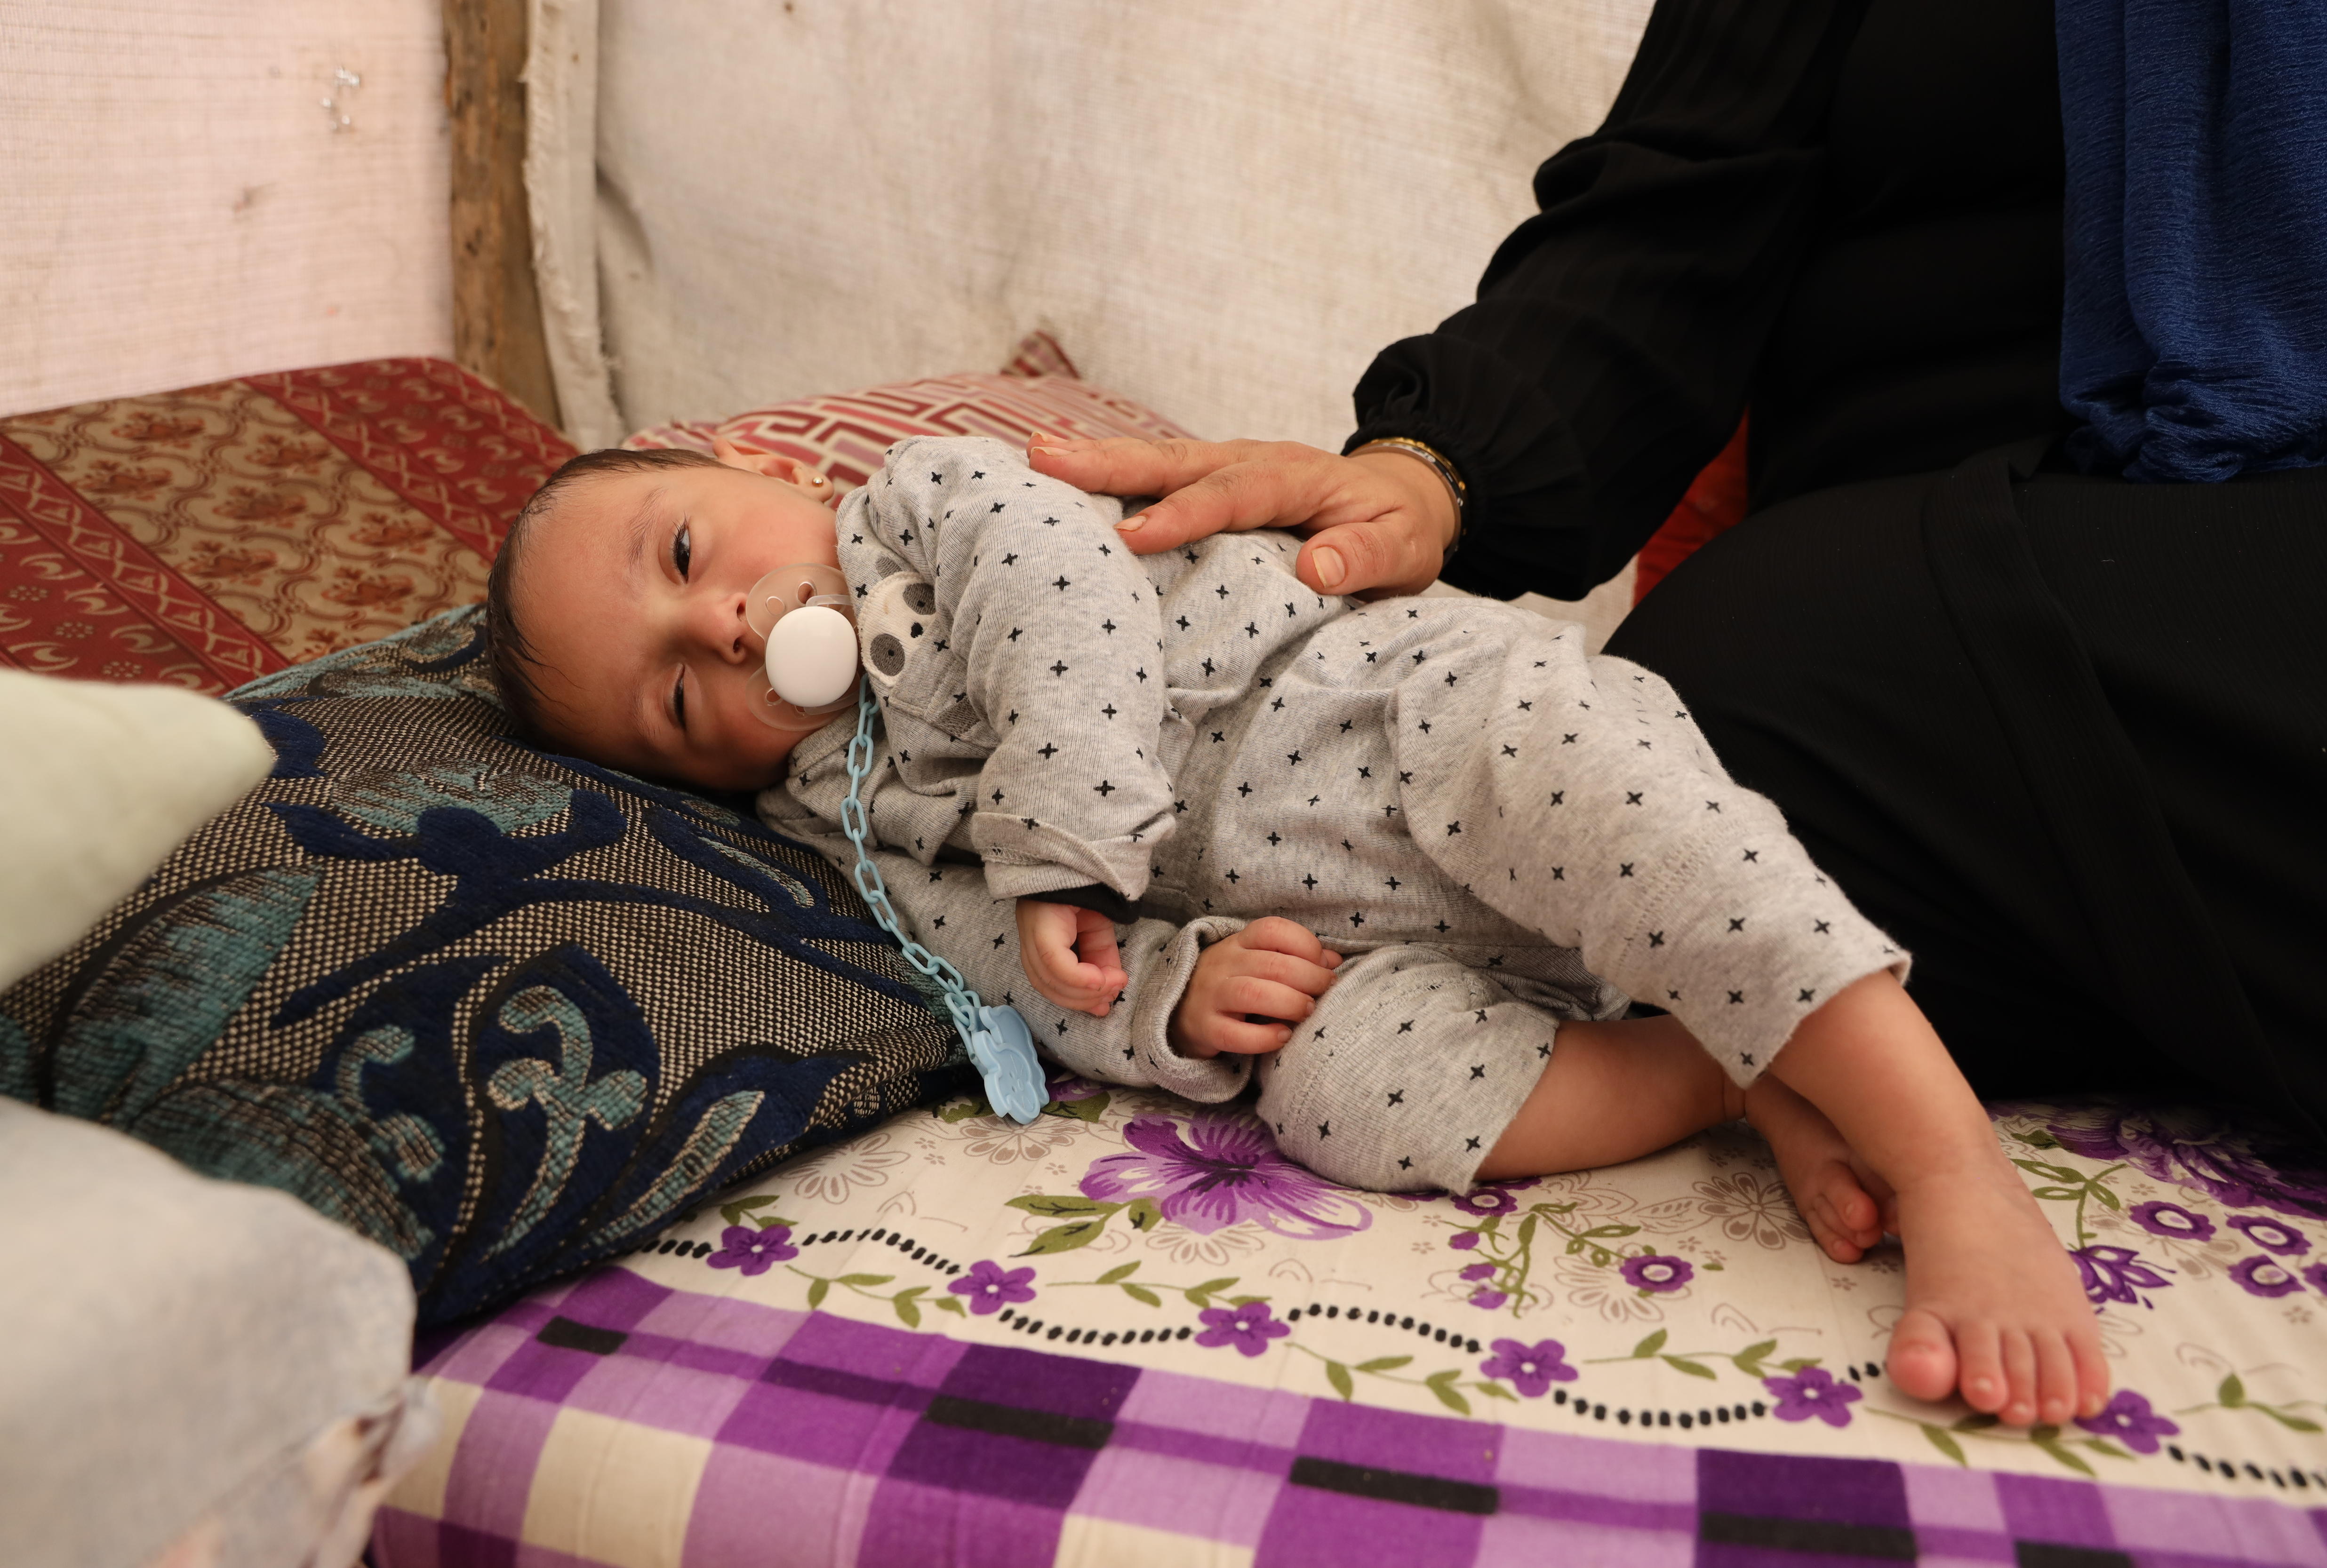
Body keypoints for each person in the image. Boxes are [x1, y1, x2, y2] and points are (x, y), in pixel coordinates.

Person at [1027, 0, 2327, 1275]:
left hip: (2278, 594)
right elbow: (1680, 208)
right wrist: (1433, 468)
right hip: (1895, 690)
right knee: (1675, 736)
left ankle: (1928, 1125)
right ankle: (1746, 1056)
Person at [482, 429, 2109, 1431]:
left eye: (686, 554)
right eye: (677, 692)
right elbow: (982, 962)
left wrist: (1060, 842)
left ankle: (1952, 1160)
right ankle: (1718, 1068)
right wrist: (1167, 1000)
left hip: (1407, 721)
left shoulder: (927, 504)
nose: (723, 622)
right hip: (1364, 934)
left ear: (755, 481)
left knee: (1588, 777)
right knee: (1340, 1098)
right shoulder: (830, 825)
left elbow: (1066, 599)